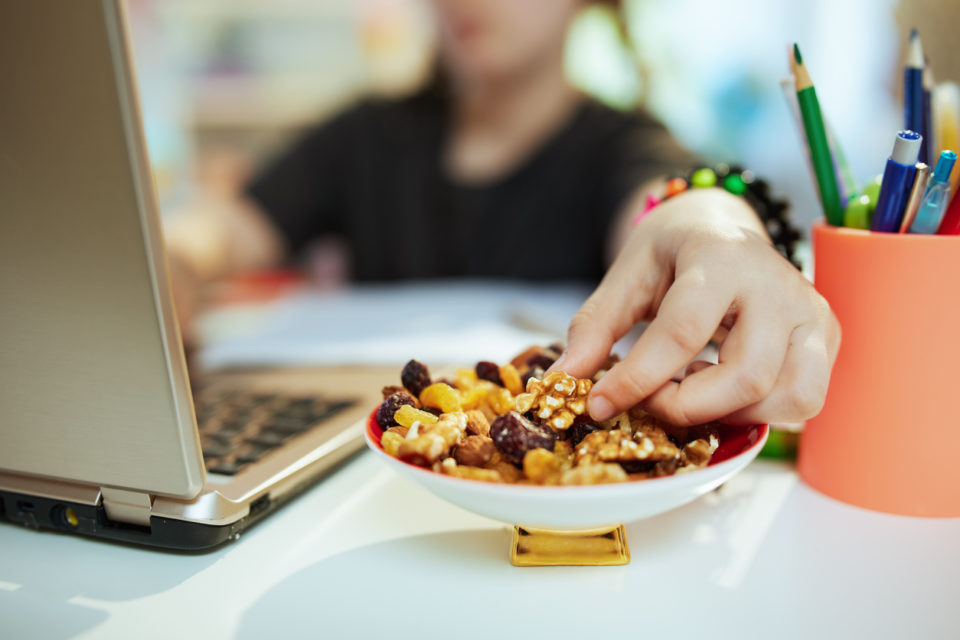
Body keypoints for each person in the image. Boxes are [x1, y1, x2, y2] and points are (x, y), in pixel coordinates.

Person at [166, 0, 840, 427]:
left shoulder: (618, 144)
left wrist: (713, 228)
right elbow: (226, 228)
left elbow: (668, 205)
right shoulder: (363, 136)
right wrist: (170, 262)